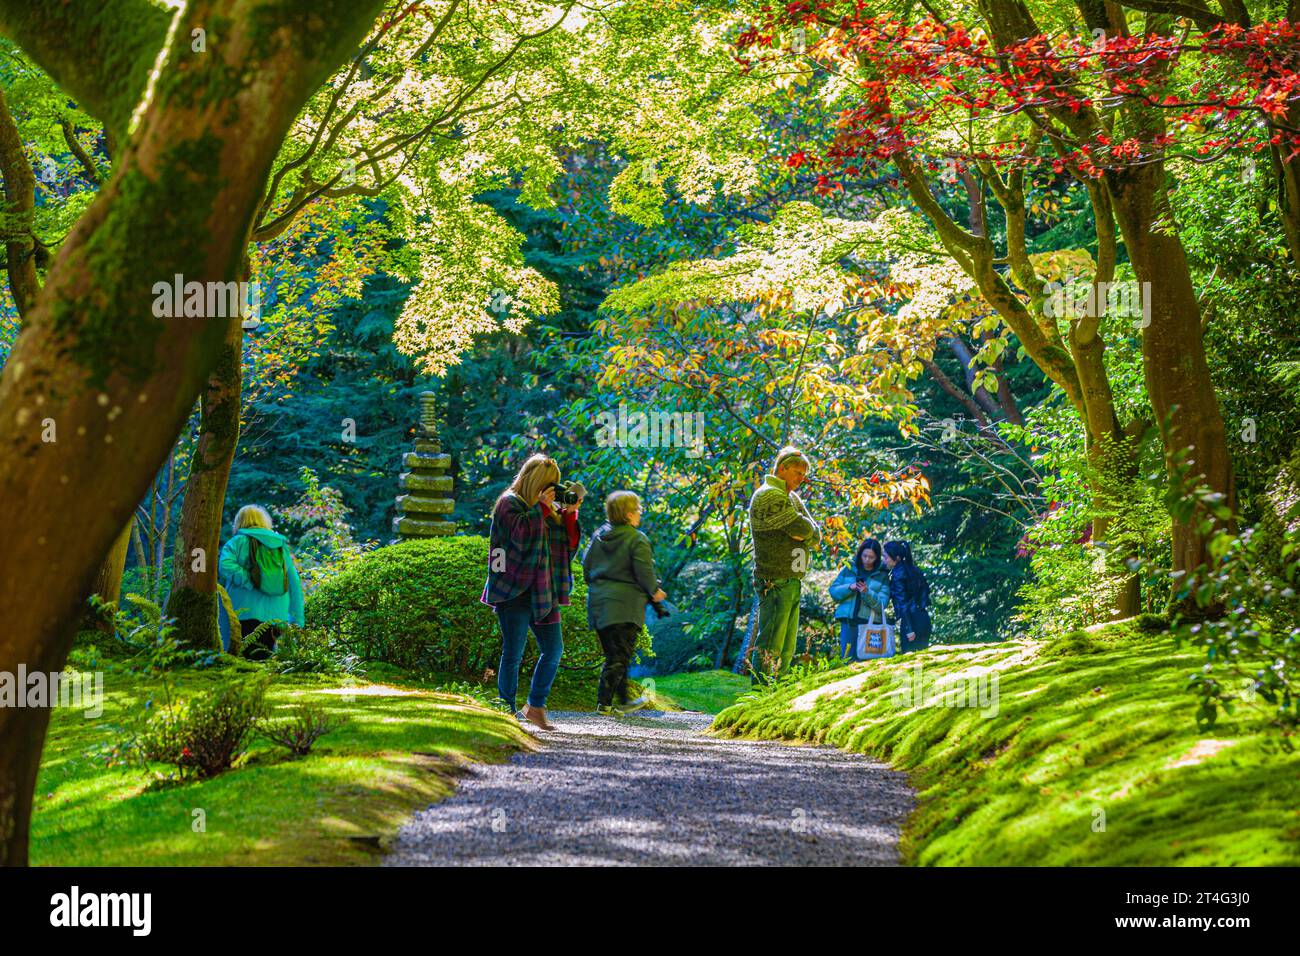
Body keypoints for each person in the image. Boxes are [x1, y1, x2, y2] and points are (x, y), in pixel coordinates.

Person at [481, 454, 583, 731]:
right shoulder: (508, 504)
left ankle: (535, 706)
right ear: (535, 482)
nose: (552, 490)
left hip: (543, 590)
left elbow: (567, 545)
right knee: (513, 652)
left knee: (553, 650)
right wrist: (542, 508)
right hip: (512, 589)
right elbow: (521, 537)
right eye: (549, 485)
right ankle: (506, 709)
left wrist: (570, 514)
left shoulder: (545, 511)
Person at [582, 491, 665, 715]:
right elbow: (645, 572)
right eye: (638, 510)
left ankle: (622, 702)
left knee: (615, 655)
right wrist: (654, 592)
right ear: (629, 514)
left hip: (598, 604)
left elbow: (586, 568)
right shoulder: (636, 539)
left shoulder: (599, 535)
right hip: (624, 606)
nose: (640, 514)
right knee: (619, 656)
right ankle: (605, 703)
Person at [747, 446, 821, 681]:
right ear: (782, 469)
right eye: (798, 472)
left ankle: (778, 693)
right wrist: (806, 532)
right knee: (771, 643)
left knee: (787, 647)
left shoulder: (791, 497)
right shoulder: (770, 494)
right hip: (775, 579)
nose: (802, 478)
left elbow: (814, 532)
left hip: (791, 578)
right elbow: (801, 527)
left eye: (804, 473)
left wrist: (807, 533)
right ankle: (759, 693)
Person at [218, 505, 305, 660]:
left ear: (239, 521)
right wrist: (297, 618)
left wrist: (249, 580)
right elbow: (293, 581)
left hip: (244, 612)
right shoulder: (280, 546)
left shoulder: (236, 542)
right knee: (268, 659)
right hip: (278, 615)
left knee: (245, 660)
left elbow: (225, 566)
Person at [828, 537, 890, 660]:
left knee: (868, 662)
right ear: (860, 553)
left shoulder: (882, 575)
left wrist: (867, 592)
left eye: (871, 557)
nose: (867, 560)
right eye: (865, 555)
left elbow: (882, 604)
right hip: (848, 623)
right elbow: (833, 591)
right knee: (847, 660)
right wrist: (850, 587)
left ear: (877, 558)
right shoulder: (849, 568)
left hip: (869, 625)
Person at [882, 540, 932, 653]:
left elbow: (903, 603)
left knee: (912, 662)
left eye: (886, 557)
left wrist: (909, 629)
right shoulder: (914, 570)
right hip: (923, 618)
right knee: (921, 662)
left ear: (897, 558)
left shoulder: (898, 574)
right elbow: (924, 594)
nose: (884, 561)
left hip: (911, 622)